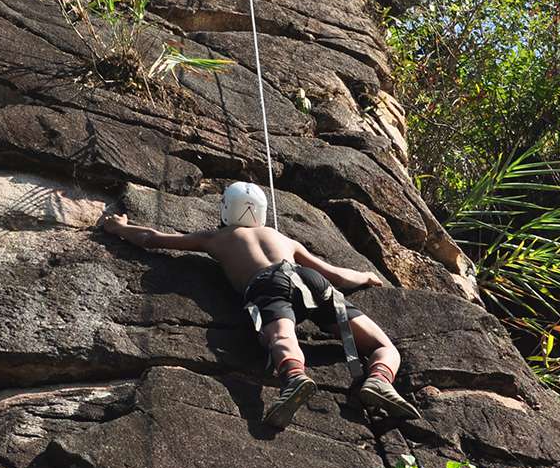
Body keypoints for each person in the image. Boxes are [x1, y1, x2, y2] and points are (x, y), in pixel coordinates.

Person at [99, 182, 422, 428]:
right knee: (383, 346)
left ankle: (295, 377)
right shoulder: (284, 239)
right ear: (262, 211)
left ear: (226, 209)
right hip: (310, 280)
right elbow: (336, 274)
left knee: (282, 337)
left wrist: (119, 227)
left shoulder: (216, 238)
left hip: (269, 284)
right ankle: (380, 380)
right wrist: (366, 275)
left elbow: (153, 238)